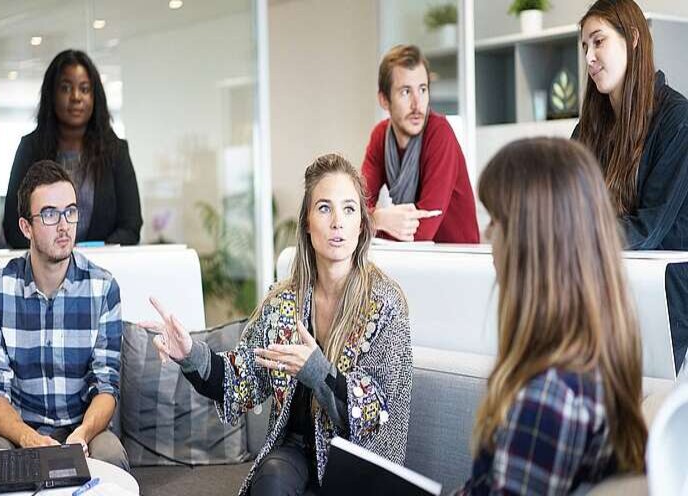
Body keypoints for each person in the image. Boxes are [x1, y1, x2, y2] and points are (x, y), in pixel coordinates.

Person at [143, 154, 412, 495]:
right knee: (270, 480)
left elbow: (376, 417)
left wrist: (317, 371)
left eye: (349, 209)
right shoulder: (284, 301)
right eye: (325, 208)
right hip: (297, 453)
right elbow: (240, 378)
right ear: (307, 223)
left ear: (361, 225)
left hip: (357, 463)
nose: (337, 223)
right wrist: (189, 354)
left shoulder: (386, 304)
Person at [456, 138, 647, 494]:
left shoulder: (549, 397)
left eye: (495, 220)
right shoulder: (592, 360)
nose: (486, 234)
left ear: (532, 242)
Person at [0, 161, 128, 470]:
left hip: (84, 430)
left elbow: (106, 386)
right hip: (21, 432)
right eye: (49, 214)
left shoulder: (103, 288)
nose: (64, 225)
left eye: (70, 211)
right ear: (25, 227)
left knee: (111, 457)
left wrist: (82, 434)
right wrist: (29, 439)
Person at [574, 0, 688, 370]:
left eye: (598, 41)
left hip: (663, 297)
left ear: (633, 39)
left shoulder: (676, 119)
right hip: (603, 290)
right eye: (584, 47)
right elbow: (568, 206)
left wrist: (573, 235)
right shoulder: (589, 128)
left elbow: (648, 227)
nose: (589, 57)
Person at [3, 49, 142, 249]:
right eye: (66, 88)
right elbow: (13, 227)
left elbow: (131, 226)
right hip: (42, 272)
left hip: (102, 269)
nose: (76, 97)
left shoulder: (116, 151)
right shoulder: (30, 149)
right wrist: (55, 254)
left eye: (84, 89)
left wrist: (90, 255)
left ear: (95, 97)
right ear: (52, 94)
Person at [361, 44, 479, 243]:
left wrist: (372, 222)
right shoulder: (380, 136)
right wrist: (376, 218)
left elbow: (422, 231)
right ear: (384, 100)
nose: (417, 104)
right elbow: (355, 208)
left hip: (458, 261)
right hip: (415, 260)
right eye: (406, 92)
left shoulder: (440, 133)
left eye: (422, 90)